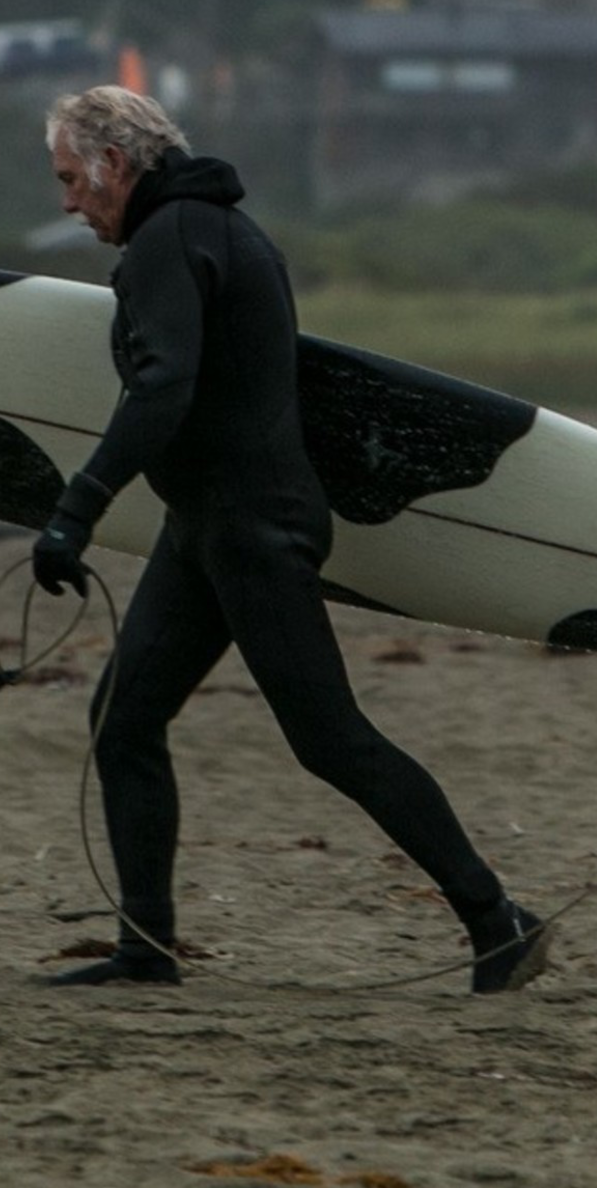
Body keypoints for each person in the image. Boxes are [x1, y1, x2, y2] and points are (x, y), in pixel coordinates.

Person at [29, 85, 550, 993]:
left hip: (251, 530)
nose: (70, 201)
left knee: (331, 737)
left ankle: (496, 917)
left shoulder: (170, 240)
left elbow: (163, 385)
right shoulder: (220, 230)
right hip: (212, 525)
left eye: (74, 178)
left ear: (116, 164)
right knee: (124, 719)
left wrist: (79, 507)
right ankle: (145, 951)